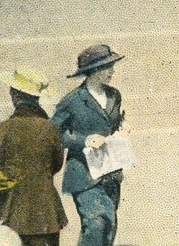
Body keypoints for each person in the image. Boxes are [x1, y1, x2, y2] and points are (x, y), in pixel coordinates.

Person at [52, 45, 126, 246]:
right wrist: (83, 140)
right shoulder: (72, 101)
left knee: (108, 226)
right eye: (107, 67)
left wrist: (122, 130)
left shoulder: (114, 95)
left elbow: (114, 125)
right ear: (93, 71)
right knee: (96, 223)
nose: (112, 71)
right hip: (83, 175)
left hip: (110, 171)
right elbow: (52, 134)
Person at [0, 68, 68, 246]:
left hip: (13, 212)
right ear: (37, 98)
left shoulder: (4, 129)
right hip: (48, 211)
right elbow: (57, 164)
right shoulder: (50, 128)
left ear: (15, 95)